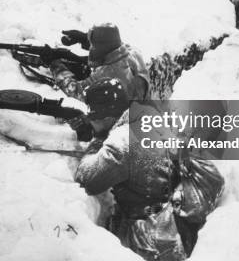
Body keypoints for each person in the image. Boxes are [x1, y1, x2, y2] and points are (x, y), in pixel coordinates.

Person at [73, 78, 187, 261]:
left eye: (92, 119)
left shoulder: (123, 141)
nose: (90, 123)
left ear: (106, 118)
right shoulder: (149, 117)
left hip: (154, 239)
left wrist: (96, 142)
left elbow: (86, 178)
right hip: (174, 223)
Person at [48, 23, 150, 103]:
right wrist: (85, 38)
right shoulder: (132, 52)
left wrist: (55, 65)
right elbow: (111, 45)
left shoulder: (108, 73)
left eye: (93, 45)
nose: (91, 48)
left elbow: (74, 90)